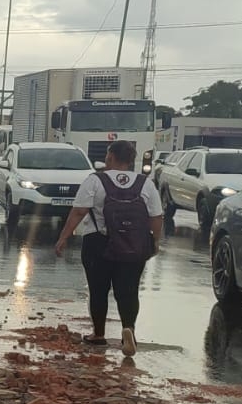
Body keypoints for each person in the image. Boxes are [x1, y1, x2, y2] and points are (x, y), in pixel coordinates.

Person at [54, 140, 164, 356]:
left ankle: (98, 334)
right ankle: (128, 329)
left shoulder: (95, 180)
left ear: (111, 157)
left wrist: (63, 237)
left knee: (98, 290)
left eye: (107, 155)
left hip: (98, 242)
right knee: (129, 290)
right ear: (131, 160)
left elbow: (79, 211)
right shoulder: (145, 183)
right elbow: (156, 216)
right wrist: (155, 241)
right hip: (133, 244)